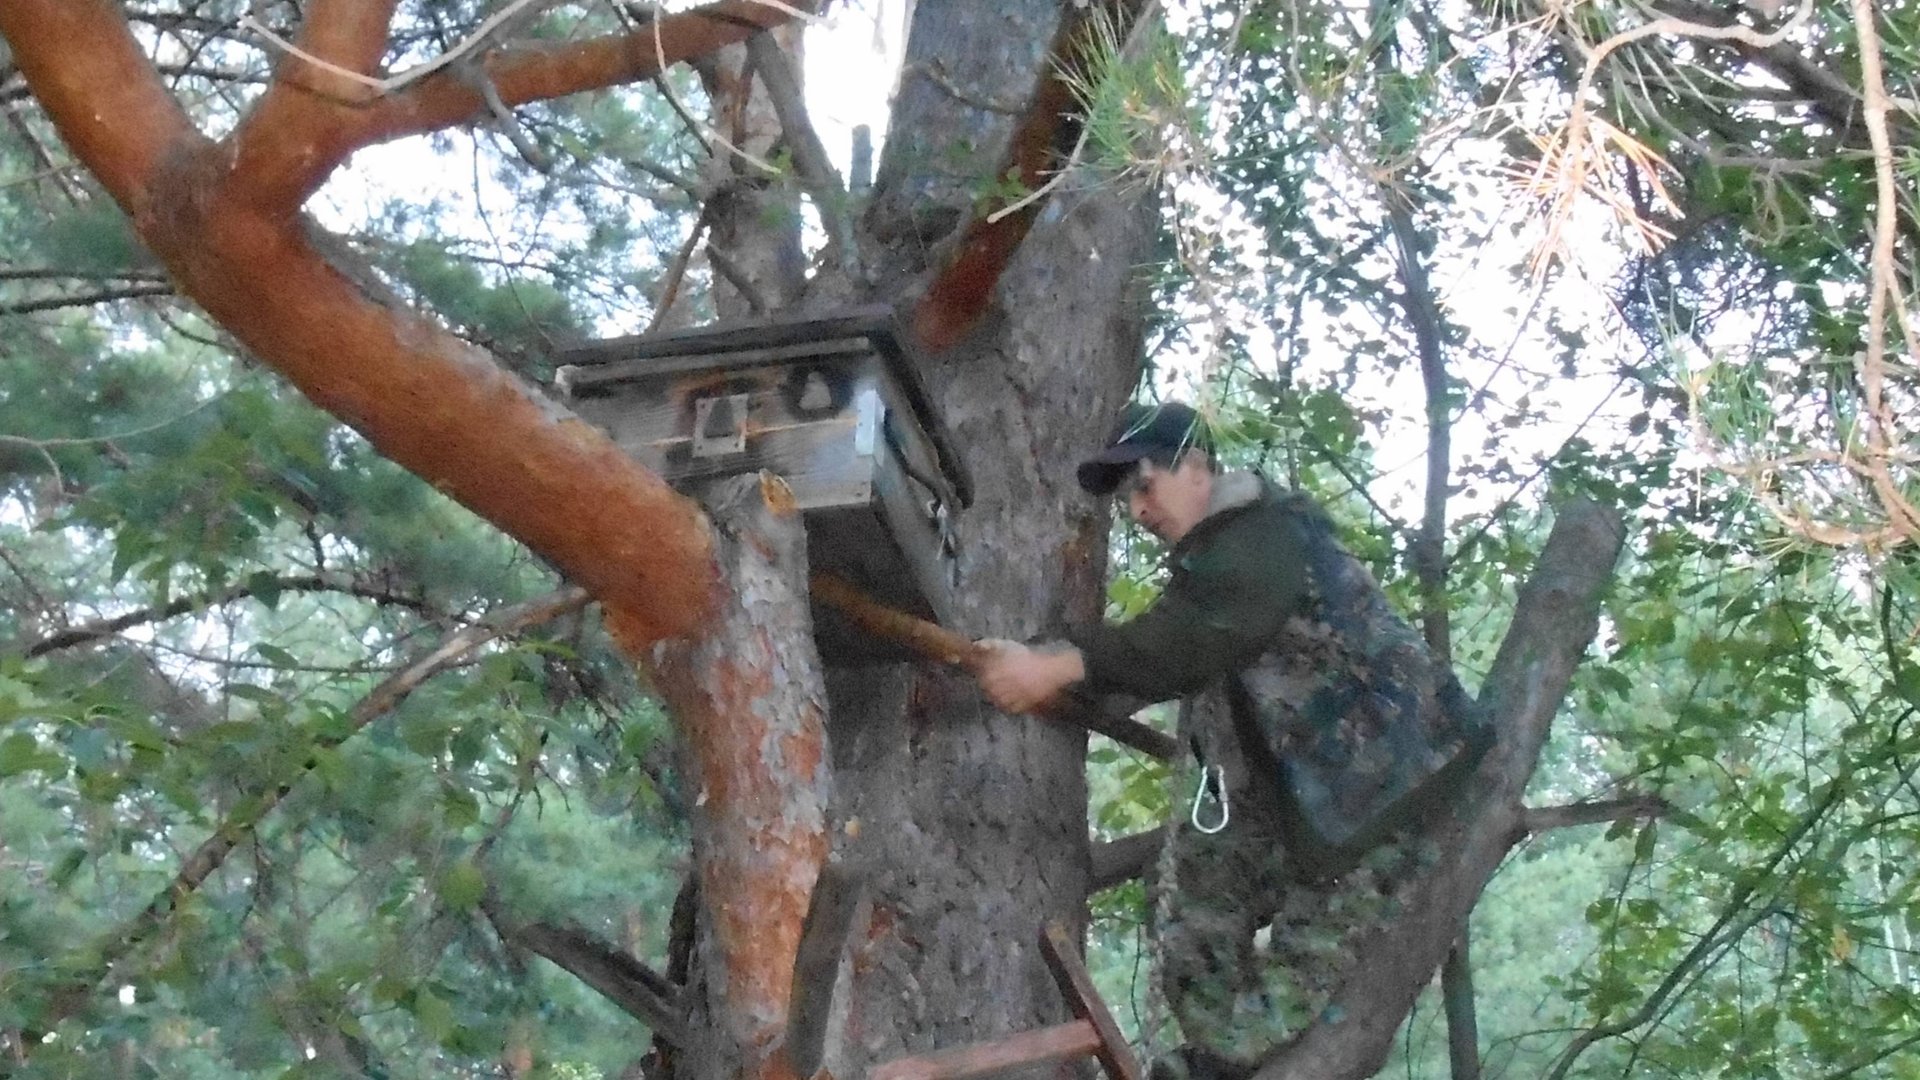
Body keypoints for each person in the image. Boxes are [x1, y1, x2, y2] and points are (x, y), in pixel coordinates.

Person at [975, 401, 1487, 1078]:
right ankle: (1214, 1054)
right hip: (1311, 797)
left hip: (1392, 790)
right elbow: (1162, 650)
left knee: (1313, 951)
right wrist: (1046, 665)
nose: (1137, 510)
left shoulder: (1264, 535)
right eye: (1127, 497)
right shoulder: (1214, 567)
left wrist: (1055, 665)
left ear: (1196, 467)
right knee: (1196, 903)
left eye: (1145, 486)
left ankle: (1225, 1062)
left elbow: (1190, 640)